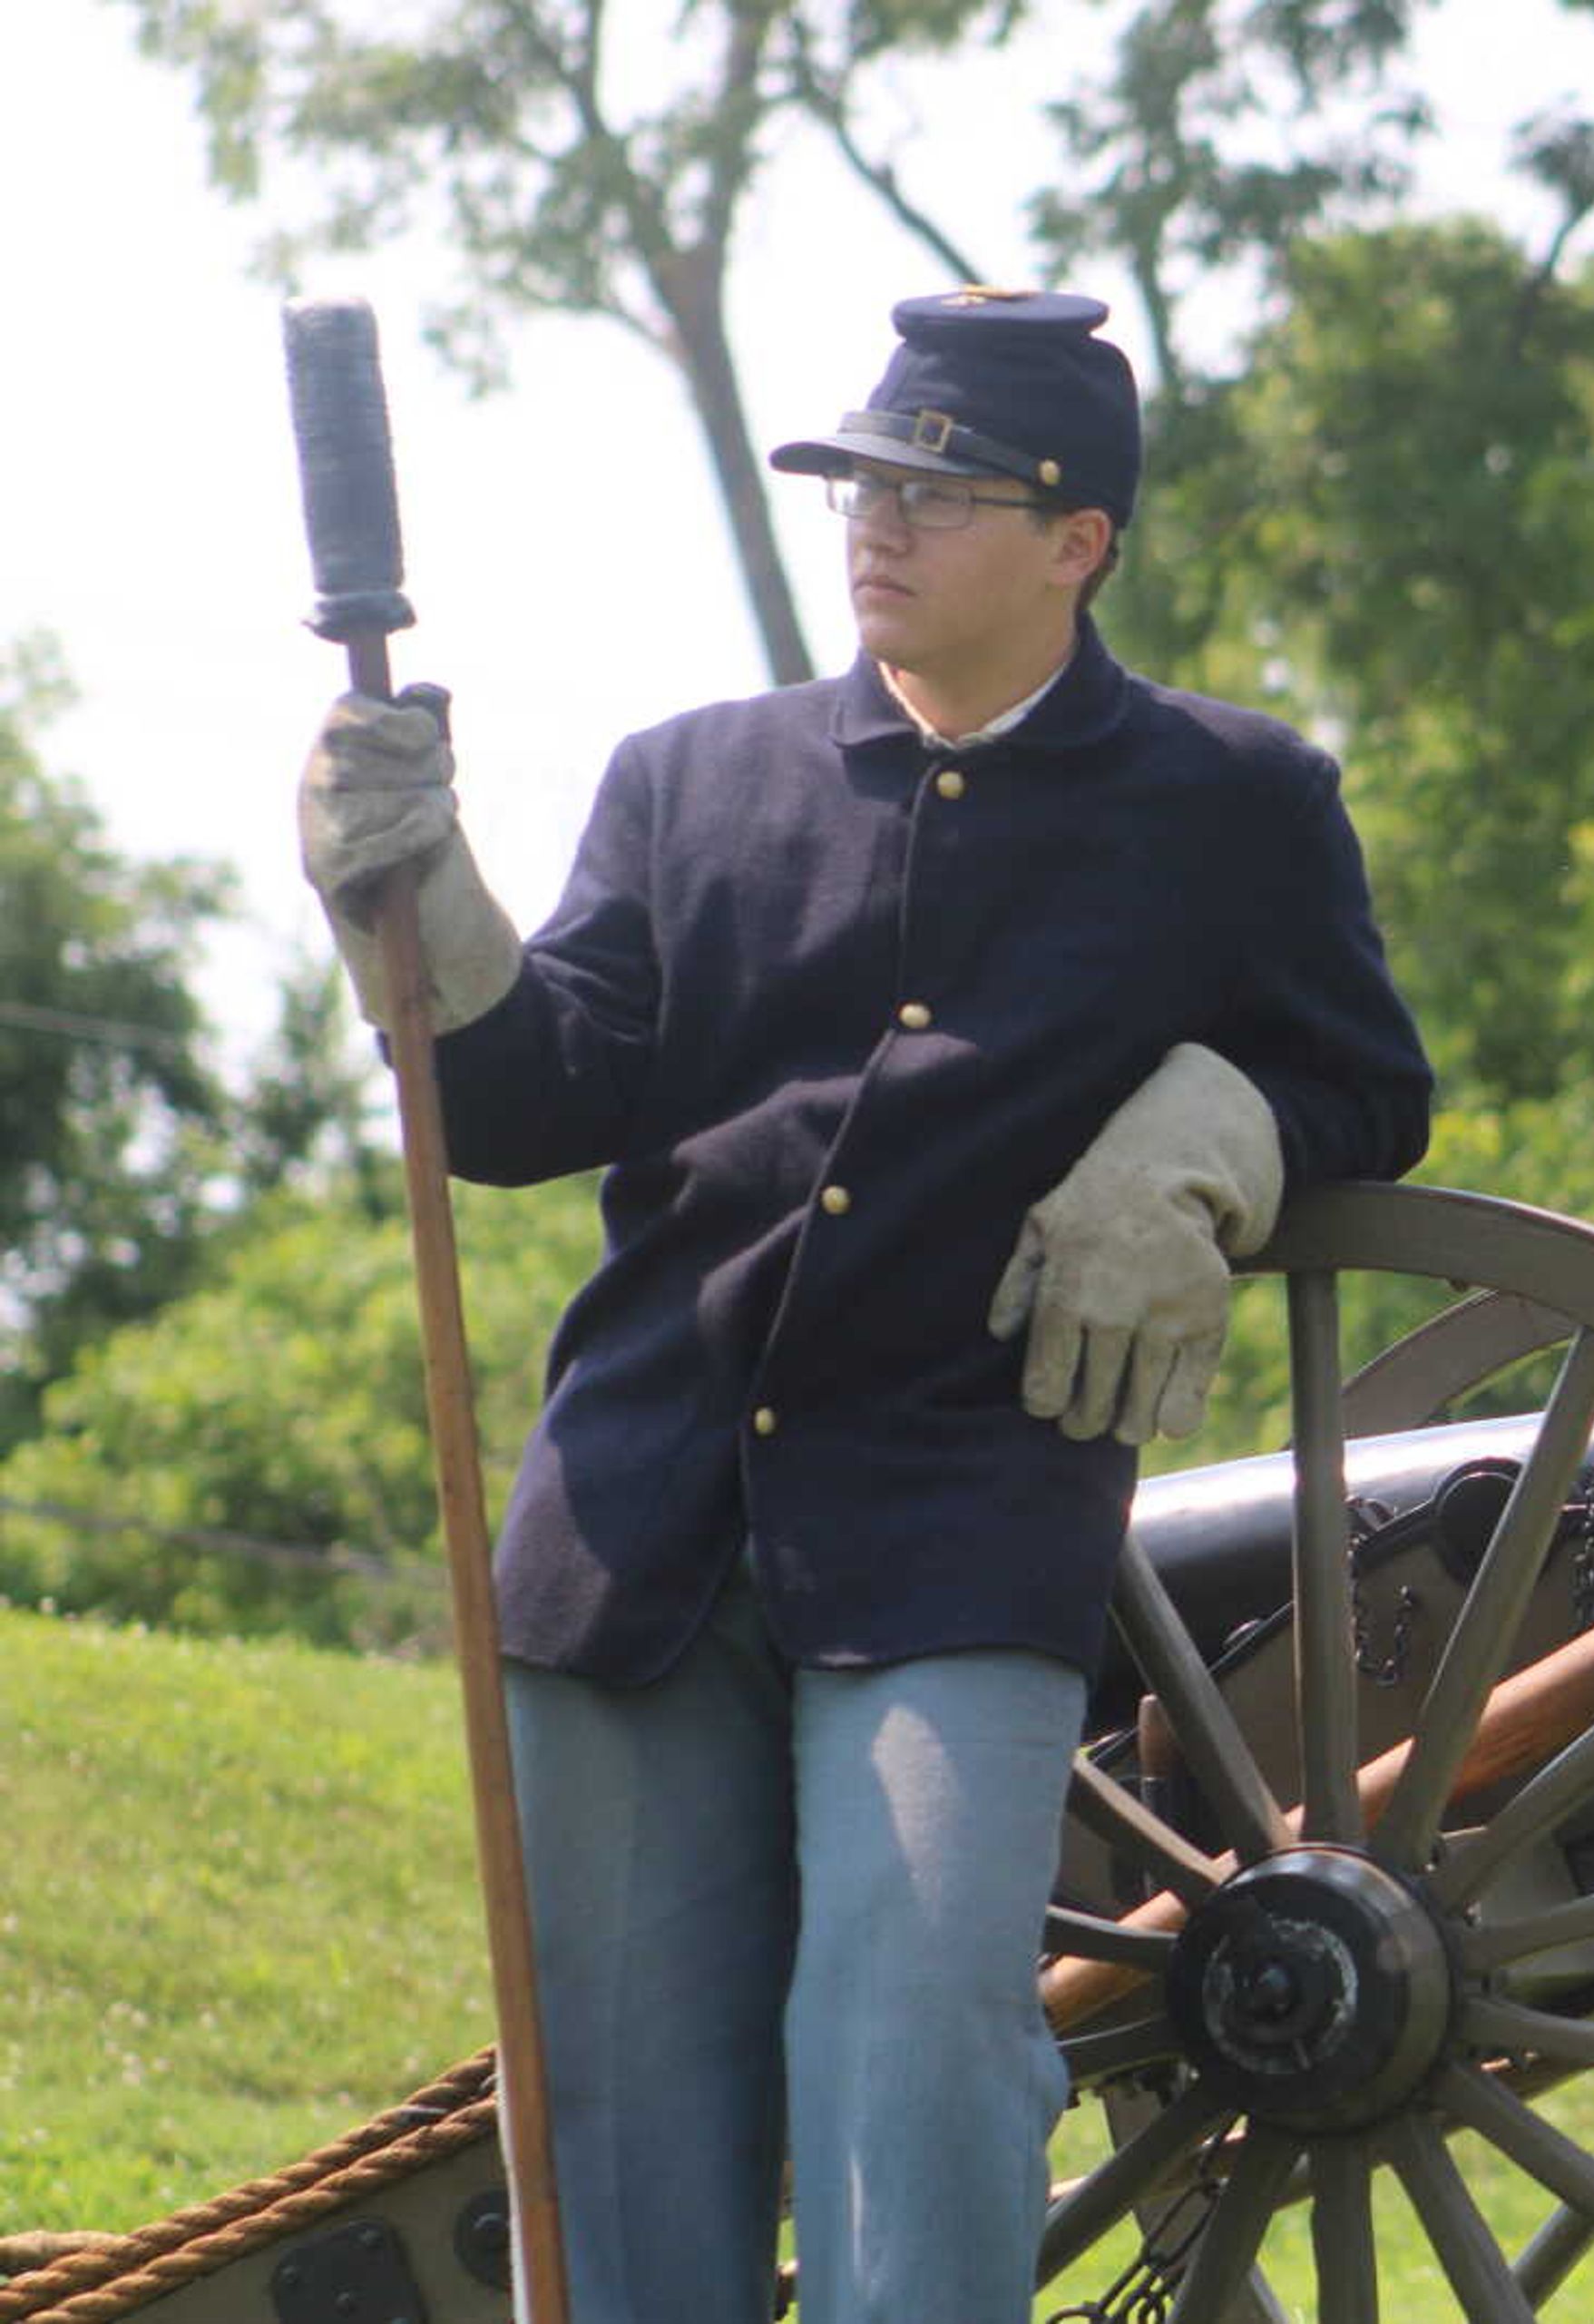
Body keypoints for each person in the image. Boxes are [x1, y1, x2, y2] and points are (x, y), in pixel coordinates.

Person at [295, 289, 1432, 2322]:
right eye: (858, 488)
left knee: (912, 2051)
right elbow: (533, 1101)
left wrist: (1203, 1129)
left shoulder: (1238, 798)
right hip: (635, 1527)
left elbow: (1372, 1085)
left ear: (1078, 540)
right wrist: (423, 910)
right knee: (627, 2126)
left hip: (964, 1528)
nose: (873, 529)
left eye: (932, 493)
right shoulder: (687, 780)